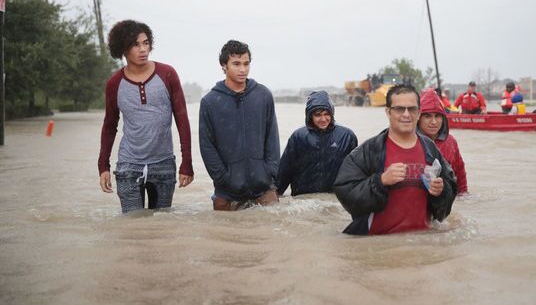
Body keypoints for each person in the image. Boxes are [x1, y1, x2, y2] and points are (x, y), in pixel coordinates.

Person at [333, 85, 457, 235]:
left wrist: (441, 192)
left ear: (418, 113)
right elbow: (344, 191)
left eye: (412, 109)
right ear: (388, 112)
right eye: (399, 109)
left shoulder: (431, 149)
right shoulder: (369, 150)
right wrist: (380, 181)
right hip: (377, 245)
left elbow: (449, 193)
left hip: (422, 244)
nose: (406, 114)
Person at [98, 20, 194, 213]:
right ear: (123, 49)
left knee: (161, 228)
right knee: (133, 228)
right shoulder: (114, 84)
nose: (143, 49)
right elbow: (109, 126)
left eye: (146, 43)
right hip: (128, 166)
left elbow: (182, 119)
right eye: (135, 44)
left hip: (163, 164)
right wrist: (103, 166)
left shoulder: (167, 74)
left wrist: (187, 162)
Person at [199, 40, 280, 210]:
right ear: (224, 66)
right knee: (226, 235)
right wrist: (223, 178)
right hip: (227, 191)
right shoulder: (210, 102)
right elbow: (207, 145)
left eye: (246, 63)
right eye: (236, 64)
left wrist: (269, 171)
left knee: (269, 234)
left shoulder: (263, 95)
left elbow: (272, 136)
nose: (243, 69)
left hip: (264, 188)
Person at [277, 91, 358, 196]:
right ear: (310, 116)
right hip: (304, 202)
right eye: (318, 115)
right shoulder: (298, 137)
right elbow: (285, 171)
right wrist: (276, 196)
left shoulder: (347, 136)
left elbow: (356, 172)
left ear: (332, 113)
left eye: (326, 114)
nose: (323, 119)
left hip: (336, 200)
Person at [418, 89, 468, 195]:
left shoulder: (450, 141)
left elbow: (459, 171)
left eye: (438, 116)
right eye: (427, 116)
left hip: (445, 199)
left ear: (443, 118)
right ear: (418, 118)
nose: (434, 122)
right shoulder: (410, 141)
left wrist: (463, 193)